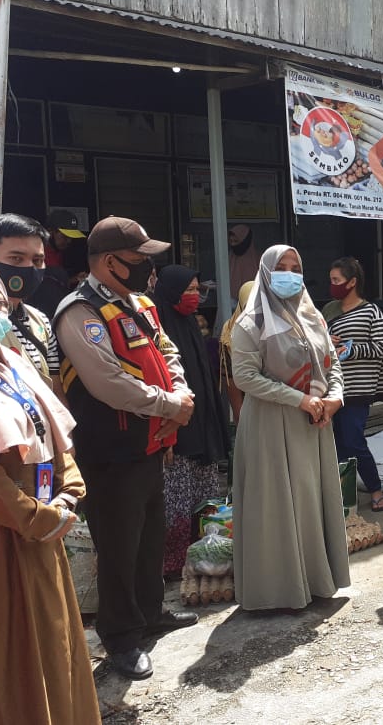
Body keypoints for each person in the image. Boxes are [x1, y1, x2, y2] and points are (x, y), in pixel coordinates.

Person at [53, 217, 198, 680]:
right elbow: (107, 383)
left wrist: (177, 389)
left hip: (150, 443)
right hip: (110, 451)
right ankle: (120, 637)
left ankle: (150, 613)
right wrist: (169, 404)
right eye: (139, 260)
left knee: (149, 538)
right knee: (118, 546)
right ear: (109, 261)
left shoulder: (138, 303)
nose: (147, 268)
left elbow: (166, 350)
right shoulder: (80, 310)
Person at [0, 259, 102, 724]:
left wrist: (68, 493)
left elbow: (56, 435)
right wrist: (37, 518)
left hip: (44, 530)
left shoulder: (13, 363)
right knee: (10, 651)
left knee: (53, 638)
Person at [231, 245, 351, 610]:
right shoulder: (252, 323)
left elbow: (332, 363)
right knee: (277, 506)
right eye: (280, 267)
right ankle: (279, 590)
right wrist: (297, 399)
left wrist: (335, 397)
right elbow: (245, 377)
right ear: (265, 273)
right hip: (272, 424)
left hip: (315, 422)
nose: (288, 273)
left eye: (294, 266)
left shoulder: (313, 317)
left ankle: (316, 580)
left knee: (312, 499)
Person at [152, 265, 230, 575]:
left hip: (203, 427)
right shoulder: (158, 327)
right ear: (171, 292)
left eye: (198, 290)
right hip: (177, 432)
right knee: (176, 500)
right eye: (190, 290)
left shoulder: (189, 325)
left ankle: (207, 559)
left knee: (205, 495)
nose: (196, 296)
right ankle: (173, 566)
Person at [323, 256, 383, 512]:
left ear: (352, 282)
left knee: (354, 442)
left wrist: (351, 350)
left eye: (336, 280)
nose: (332, 285)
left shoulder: (371, 311)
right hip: (333, 388)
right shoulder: (329, 311)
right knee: (338, 444)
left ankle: (376, 490)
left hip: (359, 388)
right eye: (331, 280)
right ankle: (345, 495)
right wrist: (326, 341)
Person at [0, 214, 64, 399]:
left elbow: (54, 387)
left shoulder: (40, 320)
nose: (30, 268)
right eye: (16, 258)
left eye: (38, 260)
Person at [219, 280, 255, 424]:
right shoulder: (230, 330)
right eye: (249, 306)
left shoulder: (275, 327)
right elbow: (229, 376)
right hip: (247, 403)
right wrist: (239, 412)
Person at [228, 224, 260, 299]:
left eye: (236, 241)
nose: (233, 244)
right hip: (231, 304)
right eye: (231, 241)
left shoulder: (258, 259)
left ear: (245, 241)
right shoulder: (229, 259)